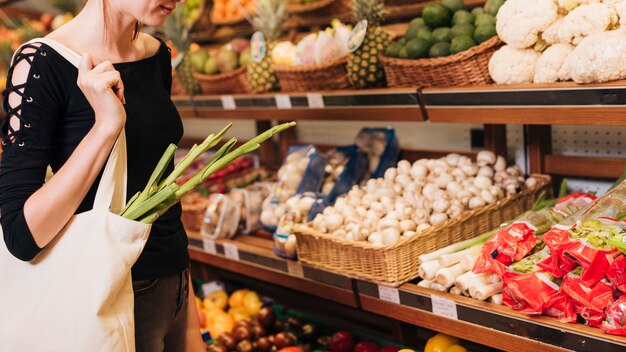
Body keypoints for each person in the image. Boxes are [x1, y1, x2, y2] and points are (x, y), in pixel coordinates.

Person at [0, 0, 204, 350]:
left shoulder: (157, 55)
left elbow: (158, 188)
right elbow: (22, 234)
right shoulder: (40, 62)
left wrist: (187, 313)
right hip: (107, 301)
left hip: (175, 285)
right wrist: (107, 125)